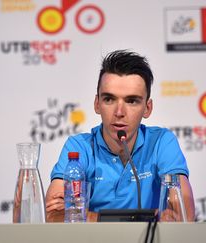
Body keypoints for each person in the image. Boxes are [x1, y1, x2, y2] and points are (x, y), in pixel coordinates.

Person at [45, 50, 195, 222]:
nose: (119, 112)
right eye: (109, 99)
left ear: (147, 108)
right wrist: (136, 220)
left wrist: (88, 217)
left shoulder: (161, 142)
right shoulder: (79, 147)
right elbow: (53, 215)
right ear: (97, 104)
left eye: (132, 101)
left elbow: (184, 215)